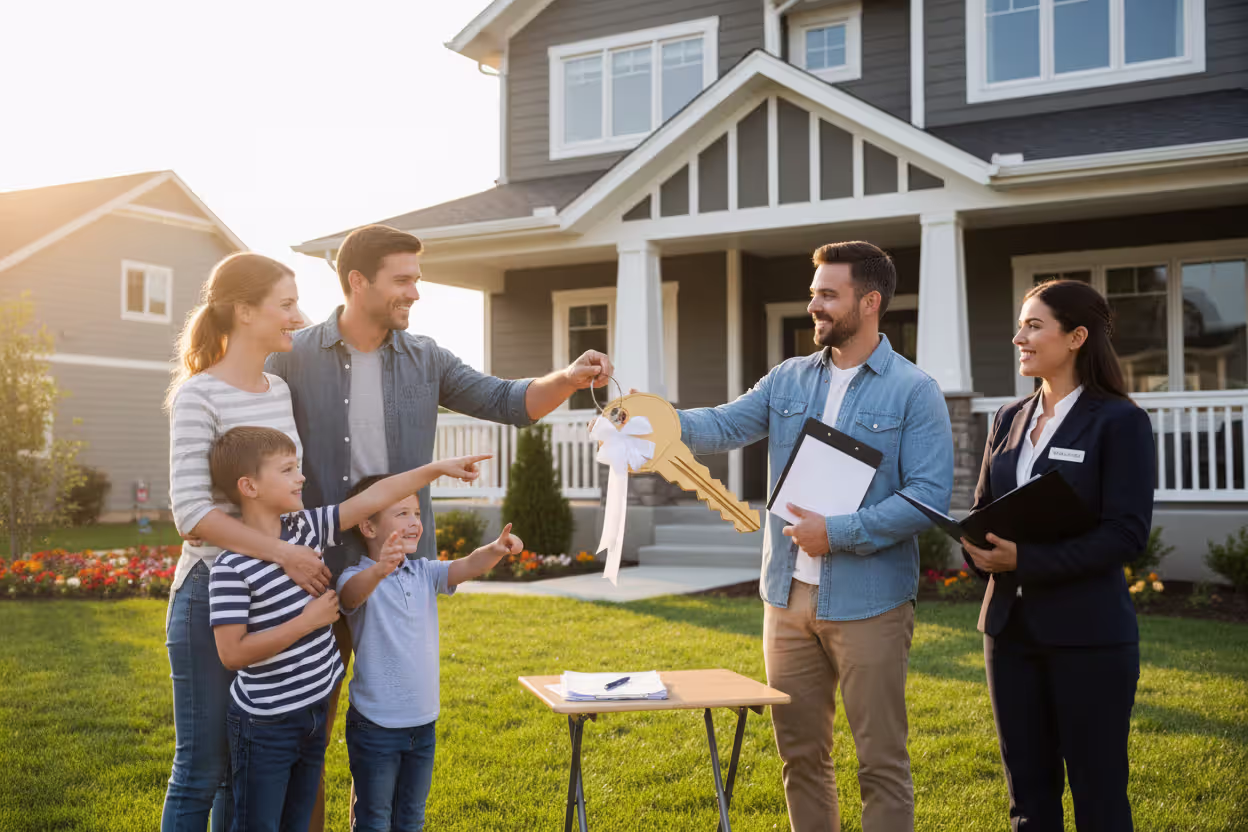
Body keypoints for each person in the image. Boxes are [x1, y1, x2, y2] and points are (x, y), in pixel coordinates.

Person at [264, 223, 612, 830]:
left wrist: (570, 376)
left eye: (416, 280)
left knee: (386, 718)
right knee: (307, 730)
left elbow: (508, 400)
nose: (415, 293)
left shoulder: (426, 358)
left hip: (397, 569)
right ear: (357, 281)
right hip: (312, 566)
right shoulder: (290, 359)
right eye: (403, 280)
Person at [676, 241, 953, 832]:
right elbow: (723, 424)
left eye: (828, 295)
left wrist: (841, 532)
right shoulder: (789, 378)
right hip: (787, 600)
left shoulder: (915, 391)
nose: (814, 306)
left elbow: (927, 497)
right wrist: (651, 417)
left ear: (870, 301)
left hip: (870, 603)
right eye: (813, 294)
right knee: (800, 757)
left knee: (880, 762)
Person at [205, 426, 487, 832]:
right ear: (249, 486)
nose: (301, 477)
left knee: (298, 820)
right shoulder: (231, 569)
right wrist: (308, 622)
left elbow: (375, 497)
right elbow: (232, 653)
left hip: (314, 713)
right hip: (265, 725)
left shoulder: (307, 528)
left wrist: (438, 468)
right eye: (287, 469)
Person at [961, 279, 1154, 832]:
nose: (1018, 336)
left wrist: (1025, 560)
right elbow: (983, 510)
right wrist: (978, 549)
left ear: (1076, 337)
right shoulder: (1007, 417)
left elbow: (1125, 535)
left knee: (1098, 797)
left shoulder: (1119, 421)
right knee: (1028, 799)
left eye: (1033, 325)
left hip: (1088, 637)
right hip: (1009, 632)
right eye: (1021, 324)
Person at [163, 252, 333, 832]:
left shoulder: (278, 390)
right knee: (203, 767)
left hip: (272, 596)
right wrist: (285, 554)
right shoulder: (197, 396)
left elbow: (281, 491)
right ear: (243, 311)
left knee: (243, 765)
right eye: (285, 305)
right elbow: (191, 514)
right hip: (213, 592)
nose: (297, 316)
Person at [335, 475, 525, 831]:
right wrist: (380, 569)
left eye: (417, 513)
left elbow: (466, 565)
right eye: (402, 513)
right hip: (375, 726)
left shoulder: (423, 573)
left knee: (411, 818)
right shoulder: (356, 576)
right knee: (374, 819)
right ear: (368, 526)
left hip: (422, 725)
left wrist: (496, 549)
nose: (413, 523)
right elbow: (350, 598)